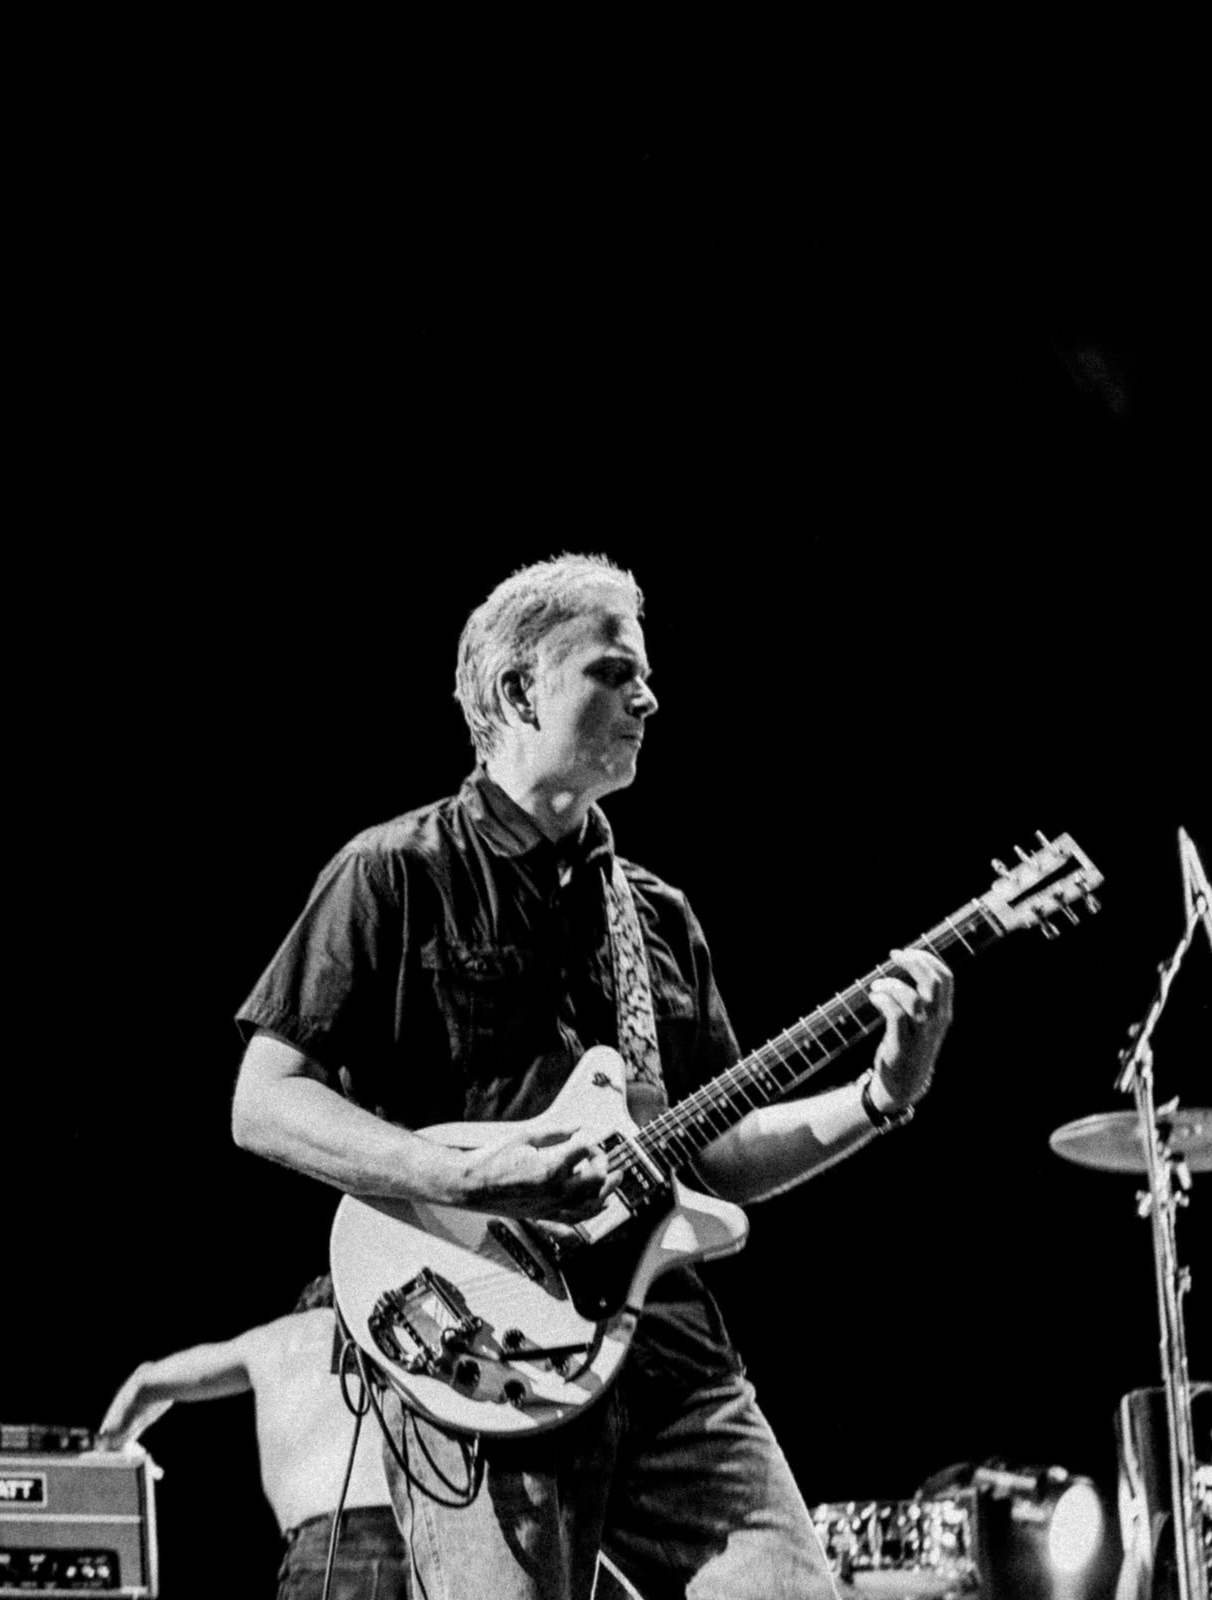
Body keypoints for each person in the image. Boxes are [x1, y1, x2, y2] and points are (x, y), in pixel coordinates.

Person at [228, 553, 955, 1600]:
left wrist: (882, 1093)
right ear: (519, 691)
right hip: (476, 1347)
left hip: (666, 1342)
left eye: (646, 674)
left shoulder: (654, 916)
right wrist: (463, 1177)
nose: (649, 696)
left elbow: (711, 1151)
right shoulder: (393, 871)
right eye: (614, 672)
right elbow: (265, 1099)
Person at [97, 1275, 408, 1600]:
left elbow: (145, 1382)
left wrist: (112, 1450)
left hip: (334, 1547)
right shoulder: (399, 1343)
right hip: (429, 1539)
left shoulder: (272, 1339)